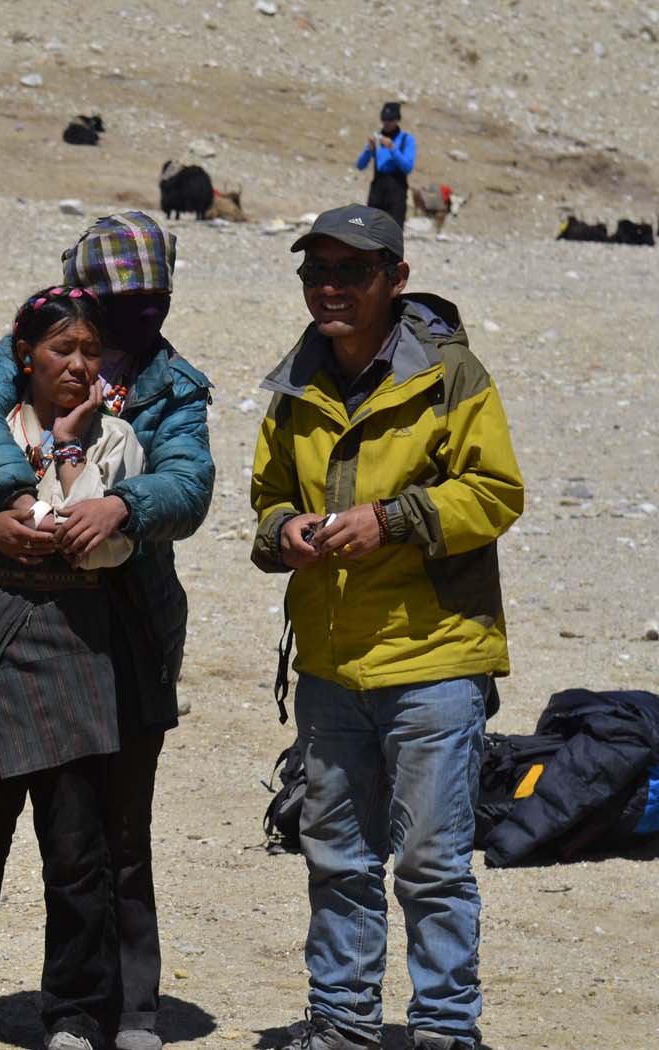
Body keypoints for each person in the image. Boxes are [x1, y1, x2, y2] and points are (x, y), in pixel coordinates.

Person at [0, 212, 214, 1050]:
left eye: (92, 347)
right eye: (66, 347)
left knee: (89, 843)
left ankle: (94, 1011)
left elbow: (175, 497)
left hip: (93, 643)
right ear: (32, 355)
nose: (82, 359)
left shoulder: (142, 421)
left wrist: (109, 507)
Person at [249, 205, 525, 1050]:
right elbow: (267, 500)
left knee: (435, 867)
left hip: (435, 660)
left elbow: (495, 492)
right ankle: (343, 1023)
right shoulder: (296, 382)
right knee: (336, 862)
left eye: (350, 273)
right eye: (315, 273)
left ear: (394, 280)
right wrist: (285, 532)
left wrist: (394, 520)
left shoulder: (452, 376)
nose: (328, 288)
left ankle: (445, 1030)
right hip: (333, 665)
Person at [356, 102, 415, 227]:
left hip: (396, 192)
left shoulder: (406, 140)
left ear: (397, 120)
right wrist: (369, 150)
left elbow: (407, 167)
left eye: (390, 120)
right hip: (377, 190)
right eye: (384, 120)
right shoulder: (377, 138)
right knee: (370, 230)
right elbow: (360, 165)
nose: (386, 123)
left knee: (393, 231)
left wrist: (393, 149)